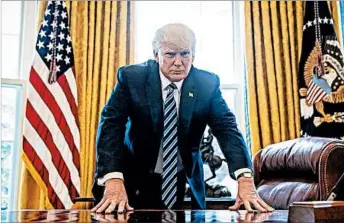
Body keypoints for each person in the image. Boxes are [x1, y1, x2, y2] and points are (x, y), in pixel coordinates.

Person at [91, 23, 274, 214]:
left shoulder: (207, 84)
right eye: (170, 55)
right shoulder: (132, 78)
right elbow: (111, 125)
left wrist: (244, 178)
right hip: (129, 179)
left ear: (193, 55)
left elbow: (227, 129)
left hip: (178, 181)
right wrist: (112, 178)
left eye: (185, 54)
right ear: (156, 55)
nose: (178, 62)